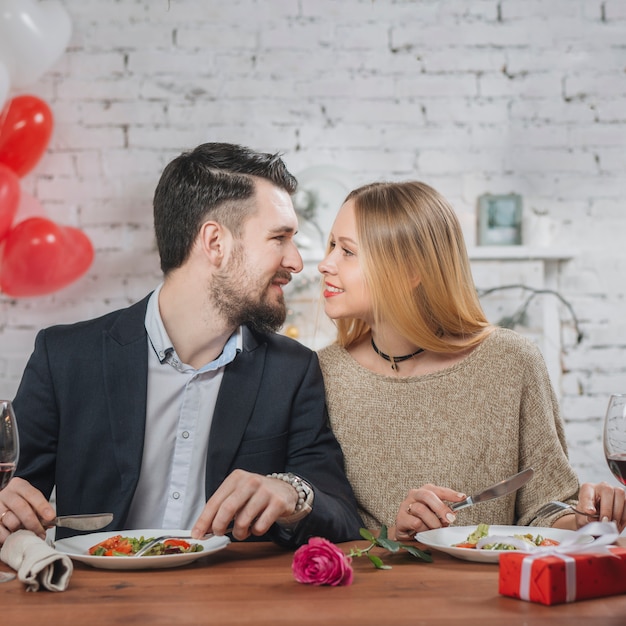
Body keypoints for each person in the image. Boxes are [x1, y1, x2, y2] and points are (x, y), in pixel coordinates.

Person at [0, 142, 362, 548]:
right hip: (98, 601)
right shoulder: (66, 357)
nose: (296, 261)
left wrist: (294, 494)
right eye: (279, 238)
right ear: (215, 242)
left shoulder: (291, 370)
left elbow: (343, 517)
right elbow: (11, 490)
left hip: (228, 605)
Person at [316, 180, 626, 541]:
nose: (325, 263)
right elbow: (323, 522)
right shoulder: (322, 374)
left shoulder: (510, 362)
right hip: (370, 594)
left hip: (492, 593)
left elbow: (544, 507)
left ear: (411, 272)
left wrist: (585, 519)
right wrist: (391, 536)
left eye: (348, 252)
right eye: (332, 245)